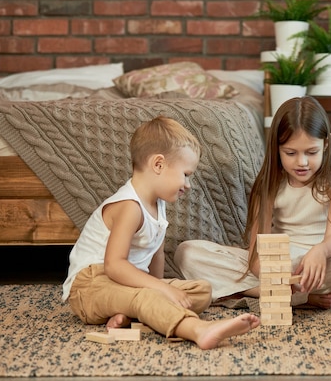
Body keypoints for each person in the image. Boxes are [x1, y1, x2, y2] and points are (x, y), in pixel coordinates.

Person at [61, 116, 260, 349]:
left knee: (201, 290)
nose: (188, 184)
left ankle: (133, 311)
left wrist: (162, 287)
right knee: (153, 295)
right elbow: (114, 265)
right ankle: (199, 330)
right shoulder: (129, 207)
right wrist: (160, 290)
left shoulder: (158, 205)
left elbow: (156, 255)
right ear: (158, 165)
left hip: (124, 283)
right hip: (90, 285)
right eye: (185, 174)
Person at [174, 96, 331, 309]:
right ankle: (290, 296)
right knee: (186, 253)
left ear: (326, 145)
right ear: (277, 149)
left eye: (311, 152)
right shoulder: (270, 183)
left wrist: (320, 251)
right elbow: (255, 255)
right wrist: (274, 276)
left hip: (317, 262)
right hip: (277, 262)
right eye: (290, 153)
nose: (302, 162)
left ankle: (266, 293)